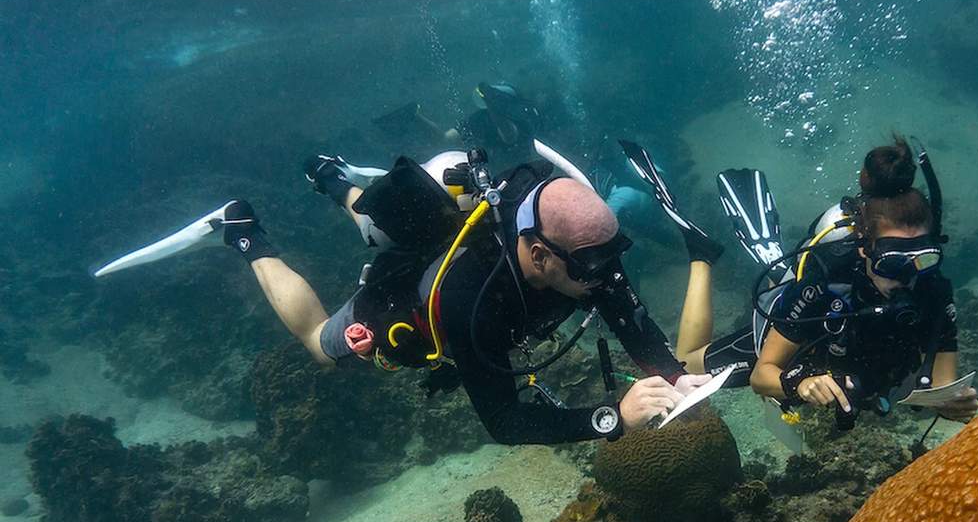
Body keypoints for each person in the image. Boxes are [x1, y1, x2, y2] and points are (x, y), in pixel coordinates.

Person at [212, 147, 710, 445]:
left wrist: (673, 375)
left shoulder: (586, 250)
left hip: (464, 252)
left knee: (373, 223)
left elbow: (632, 326)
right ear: (540, 255)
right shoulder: (469, 298)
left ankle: (333, 179)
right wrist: (612, 419)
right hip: (411, 297)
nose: (605, 278)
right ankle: (246, 235)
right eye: (592, 267)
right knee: (320, 343)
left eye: (612, 257)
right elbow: (504, 422)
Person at [633, 135, 978, 426]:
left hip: (852, 369)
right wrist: (798, 383)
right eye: (891, 263)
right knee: (682, 365)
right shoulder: (826, 284)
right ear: (864, 249)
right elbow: (762, 375)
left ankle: (775, 265)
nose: (907, 278)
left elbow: (943, 385)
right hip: (803, 346)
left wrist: (951, 405)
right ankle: (702, 255)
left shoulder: (933, 292)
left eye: (923, 259)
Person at [445, 83, 541, 170]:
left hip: (522, 171)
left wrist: (492, 105)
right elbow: (450, 136)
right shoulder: (481, 117)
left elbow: (509, 135)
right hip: (494, 174)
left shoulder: (523, 116)